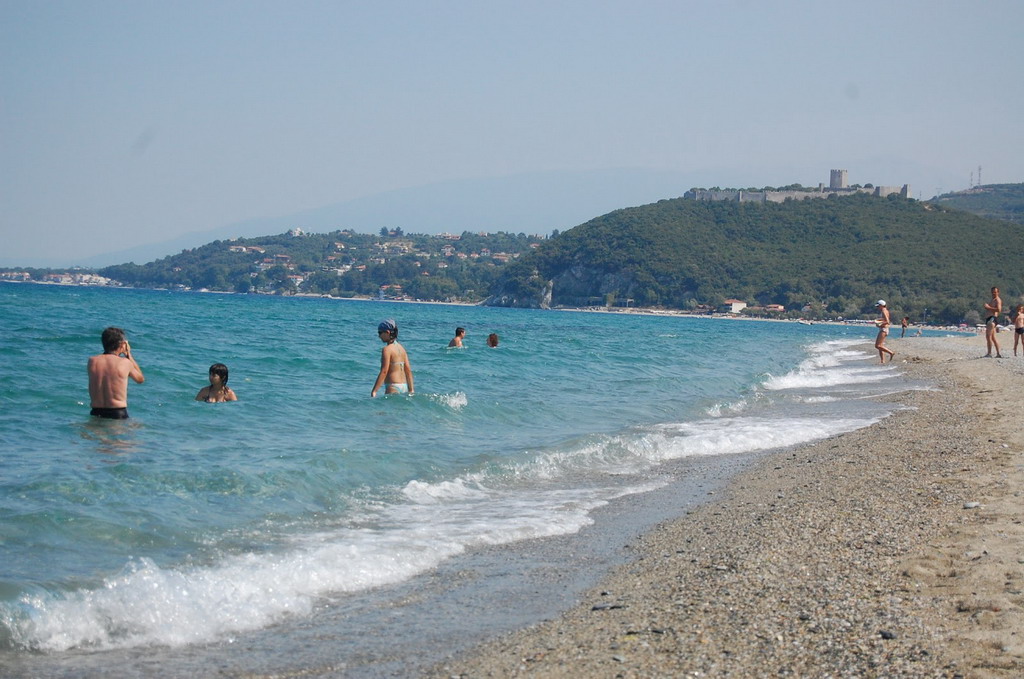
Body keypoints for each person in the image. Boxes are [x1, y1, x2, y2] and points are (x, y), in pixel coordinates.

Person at [87, 326, 144, 419]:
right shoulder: (125, 363)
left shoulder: (92, 361)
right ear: (121, 344)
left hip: (96, 412)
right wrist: (129, 355)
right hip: (117, 413)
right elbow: (140, 379)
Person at [372, 319, 414, 397]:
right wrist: (411, 389)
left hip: (392, 386)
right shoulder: (402, 348)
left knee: (388, 409)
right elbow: (408, 370)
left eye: (380, 332)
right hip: (404, 386)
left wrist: (374, 391)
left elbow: (384, 371)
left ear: (387, 332)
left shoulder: (387, 349)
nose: (379, 336)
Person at [872, 300, 896, 364]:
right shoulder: (886, 310)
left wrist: (879, 324)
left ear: (881, 305)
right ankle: (882, 361)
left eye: (878, 306)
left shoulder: (883, 311)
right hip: (884, 329)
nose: (877, 308)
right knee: (880, 345)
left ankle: (891, 353)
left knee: (877, 346)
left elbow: (887, 321)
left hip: (884, 329)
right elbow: (885, 320)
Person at [984, 286, 1003, 358]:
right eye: (992, 292)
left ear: (998, 292)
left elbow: (999, 310)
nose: (993, 293)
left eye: (995, 292)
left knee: (988, 336)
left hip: (992, 318)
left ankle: (989, 353)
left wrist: (988, 307)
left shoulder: (998, 300)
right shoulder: (993, 299)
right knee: (993, 337)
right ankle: (998, 353)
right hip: (989, 318)